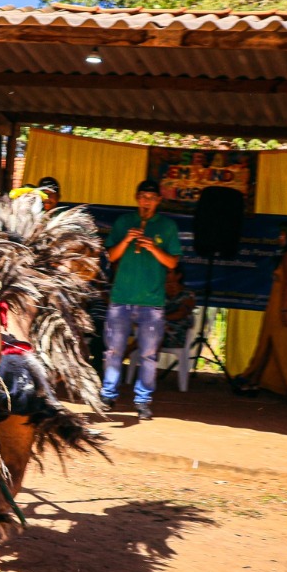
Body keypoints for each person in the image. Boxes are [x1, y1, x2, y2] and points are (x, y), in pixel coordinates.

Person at [101, 179, 182, 421]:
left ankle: (143, 400)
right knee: (113, 351)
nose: (147, 201)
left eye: (152, 197)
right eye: (143, 197)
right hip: (121, 298)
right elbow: (110, 256)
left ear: (158, 200)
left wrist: (152, 247)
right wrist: (126, 240)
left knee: (148, 354)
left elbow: (172, 263)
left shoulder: (167, 226)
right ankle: (108, 394)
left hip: (151, 302)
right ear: (137, 198)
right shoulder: (124, 222)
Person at [238, 225, 287, 405]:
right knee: (270, 346)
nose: (280, 237)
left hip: (282, 308)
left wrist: (284, 309)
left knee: (286, 351)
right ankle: (253, 383)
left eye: (282, 234)